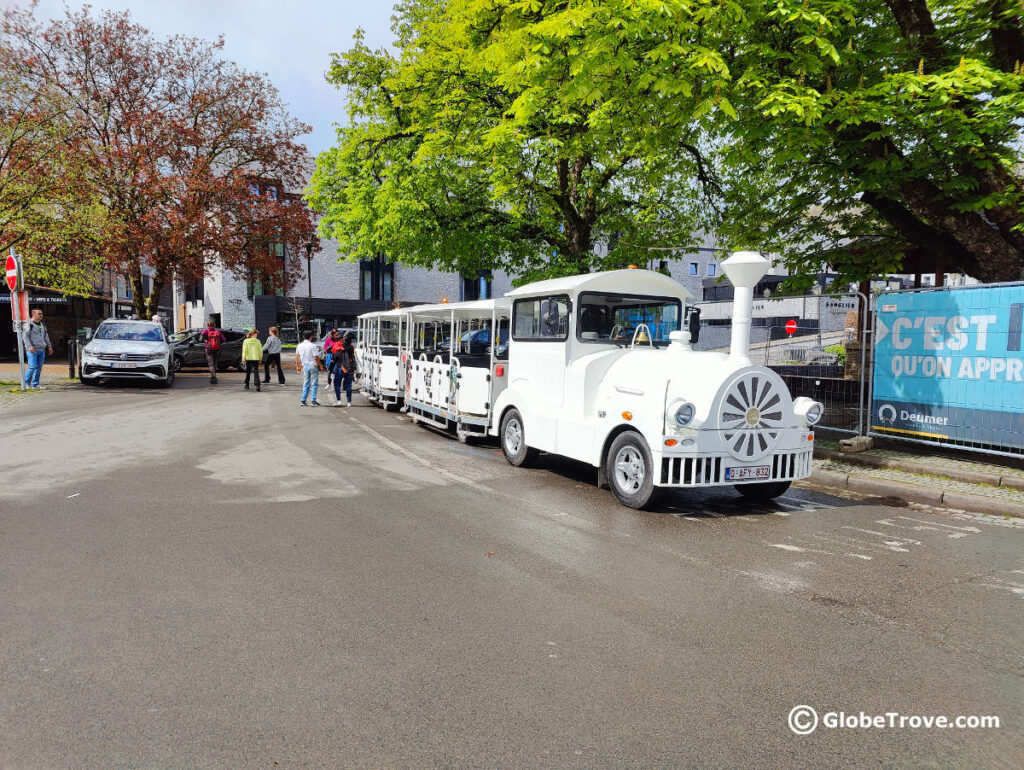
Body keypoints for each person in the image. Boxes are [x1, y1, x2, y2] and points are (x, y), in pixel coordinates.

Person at [22, 308, 53, 390]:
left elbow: (46, 336)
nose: (41, 315)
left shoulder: (42, 324)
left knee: (39, 367)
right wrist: (29, 346)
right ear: (33, 314)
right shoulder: (28, 324)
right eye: (39, 314)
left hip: (41, 349)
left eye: (41, 314)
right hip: (32, 349)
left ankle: (35, 384)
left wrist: (49, 346)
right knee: (32, 366)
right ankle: (26, 383)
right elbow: (25, 336)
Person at [295, 330, 322, 406]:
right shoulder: (313, 346)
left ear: (303, 337)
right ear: (311, 337)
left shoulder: (299, 345)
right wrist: (320, 366)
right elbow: (315, 357)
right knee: (314, 383)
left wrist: (298, 366)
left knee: (306, 383)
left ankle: (303, 400)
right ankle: (313, 400)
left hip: (305, 365)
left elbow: (297, 356)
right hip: (313, 365)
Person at [333, 333, 359, 407]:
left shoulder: (339, 347)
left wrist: (332, 369)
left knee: (337, 385)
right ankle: (349, 402)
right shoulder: (351, 348)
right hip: (350, 369)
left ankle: (339, 400)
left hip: (340, 368)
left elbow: (335, 358)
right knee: (349, 386)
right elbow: (354, 359)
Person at [200, 320, 225, 384]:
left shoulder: (206, 331)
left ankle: (213, 377)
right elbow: (224, 339)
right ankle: (214, 377)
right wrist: (219, 343)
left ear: (208, 325)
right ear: (214, 325)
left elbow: (201, 336)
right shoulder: (217, 332)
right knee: (214, 363)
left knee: (210, 364)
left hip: (208, 348)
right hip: (216, 348)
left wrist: (206, 340)